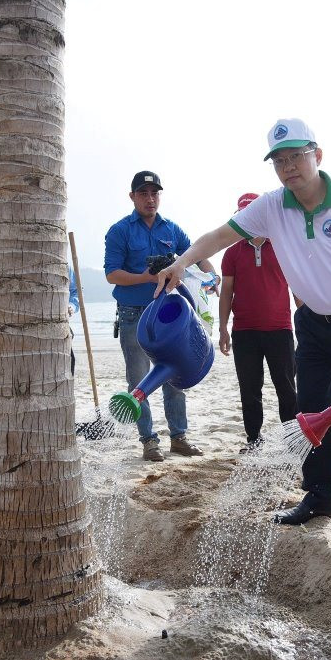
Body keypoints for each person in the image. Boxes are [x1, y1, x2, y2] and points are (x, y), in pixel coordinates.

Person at [155, 119, 331, 535]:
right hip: (313, 325)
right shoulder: (270, 206)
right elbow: (219, 236)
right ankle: (319, 496)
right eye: (279, 160)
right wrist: (181, 263)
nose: (289, 167)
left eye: (296, 156)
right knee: (310, 413)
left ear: (317, 155)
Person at [104, 171, 217, 462]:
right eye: (143, 193)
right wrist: (145, 277)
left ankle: (179, 437)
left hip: (168, 315)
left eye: (154, 193)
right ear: (132, 197)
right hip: (134, 314)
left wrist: (211, 274)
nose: (150, 199)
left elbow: (195, 254)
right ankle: (148, 440)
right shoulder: (120, 231)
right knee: (139, 380)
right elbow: (112, 274)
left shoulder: (172, 230)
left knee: (175, 375)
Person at [218, 192, 298, 453]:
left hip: (280, 329)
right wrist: (222, 328)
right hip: (244, 331)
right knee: (250, 390)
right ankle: (254, 439)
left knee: (286, 388)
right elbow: (227, 292)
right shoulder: (231, 253)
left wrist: (310, 320)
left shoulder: (283, 245)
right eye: (243, 216)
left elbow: (298, 286)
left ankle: (291, 439)